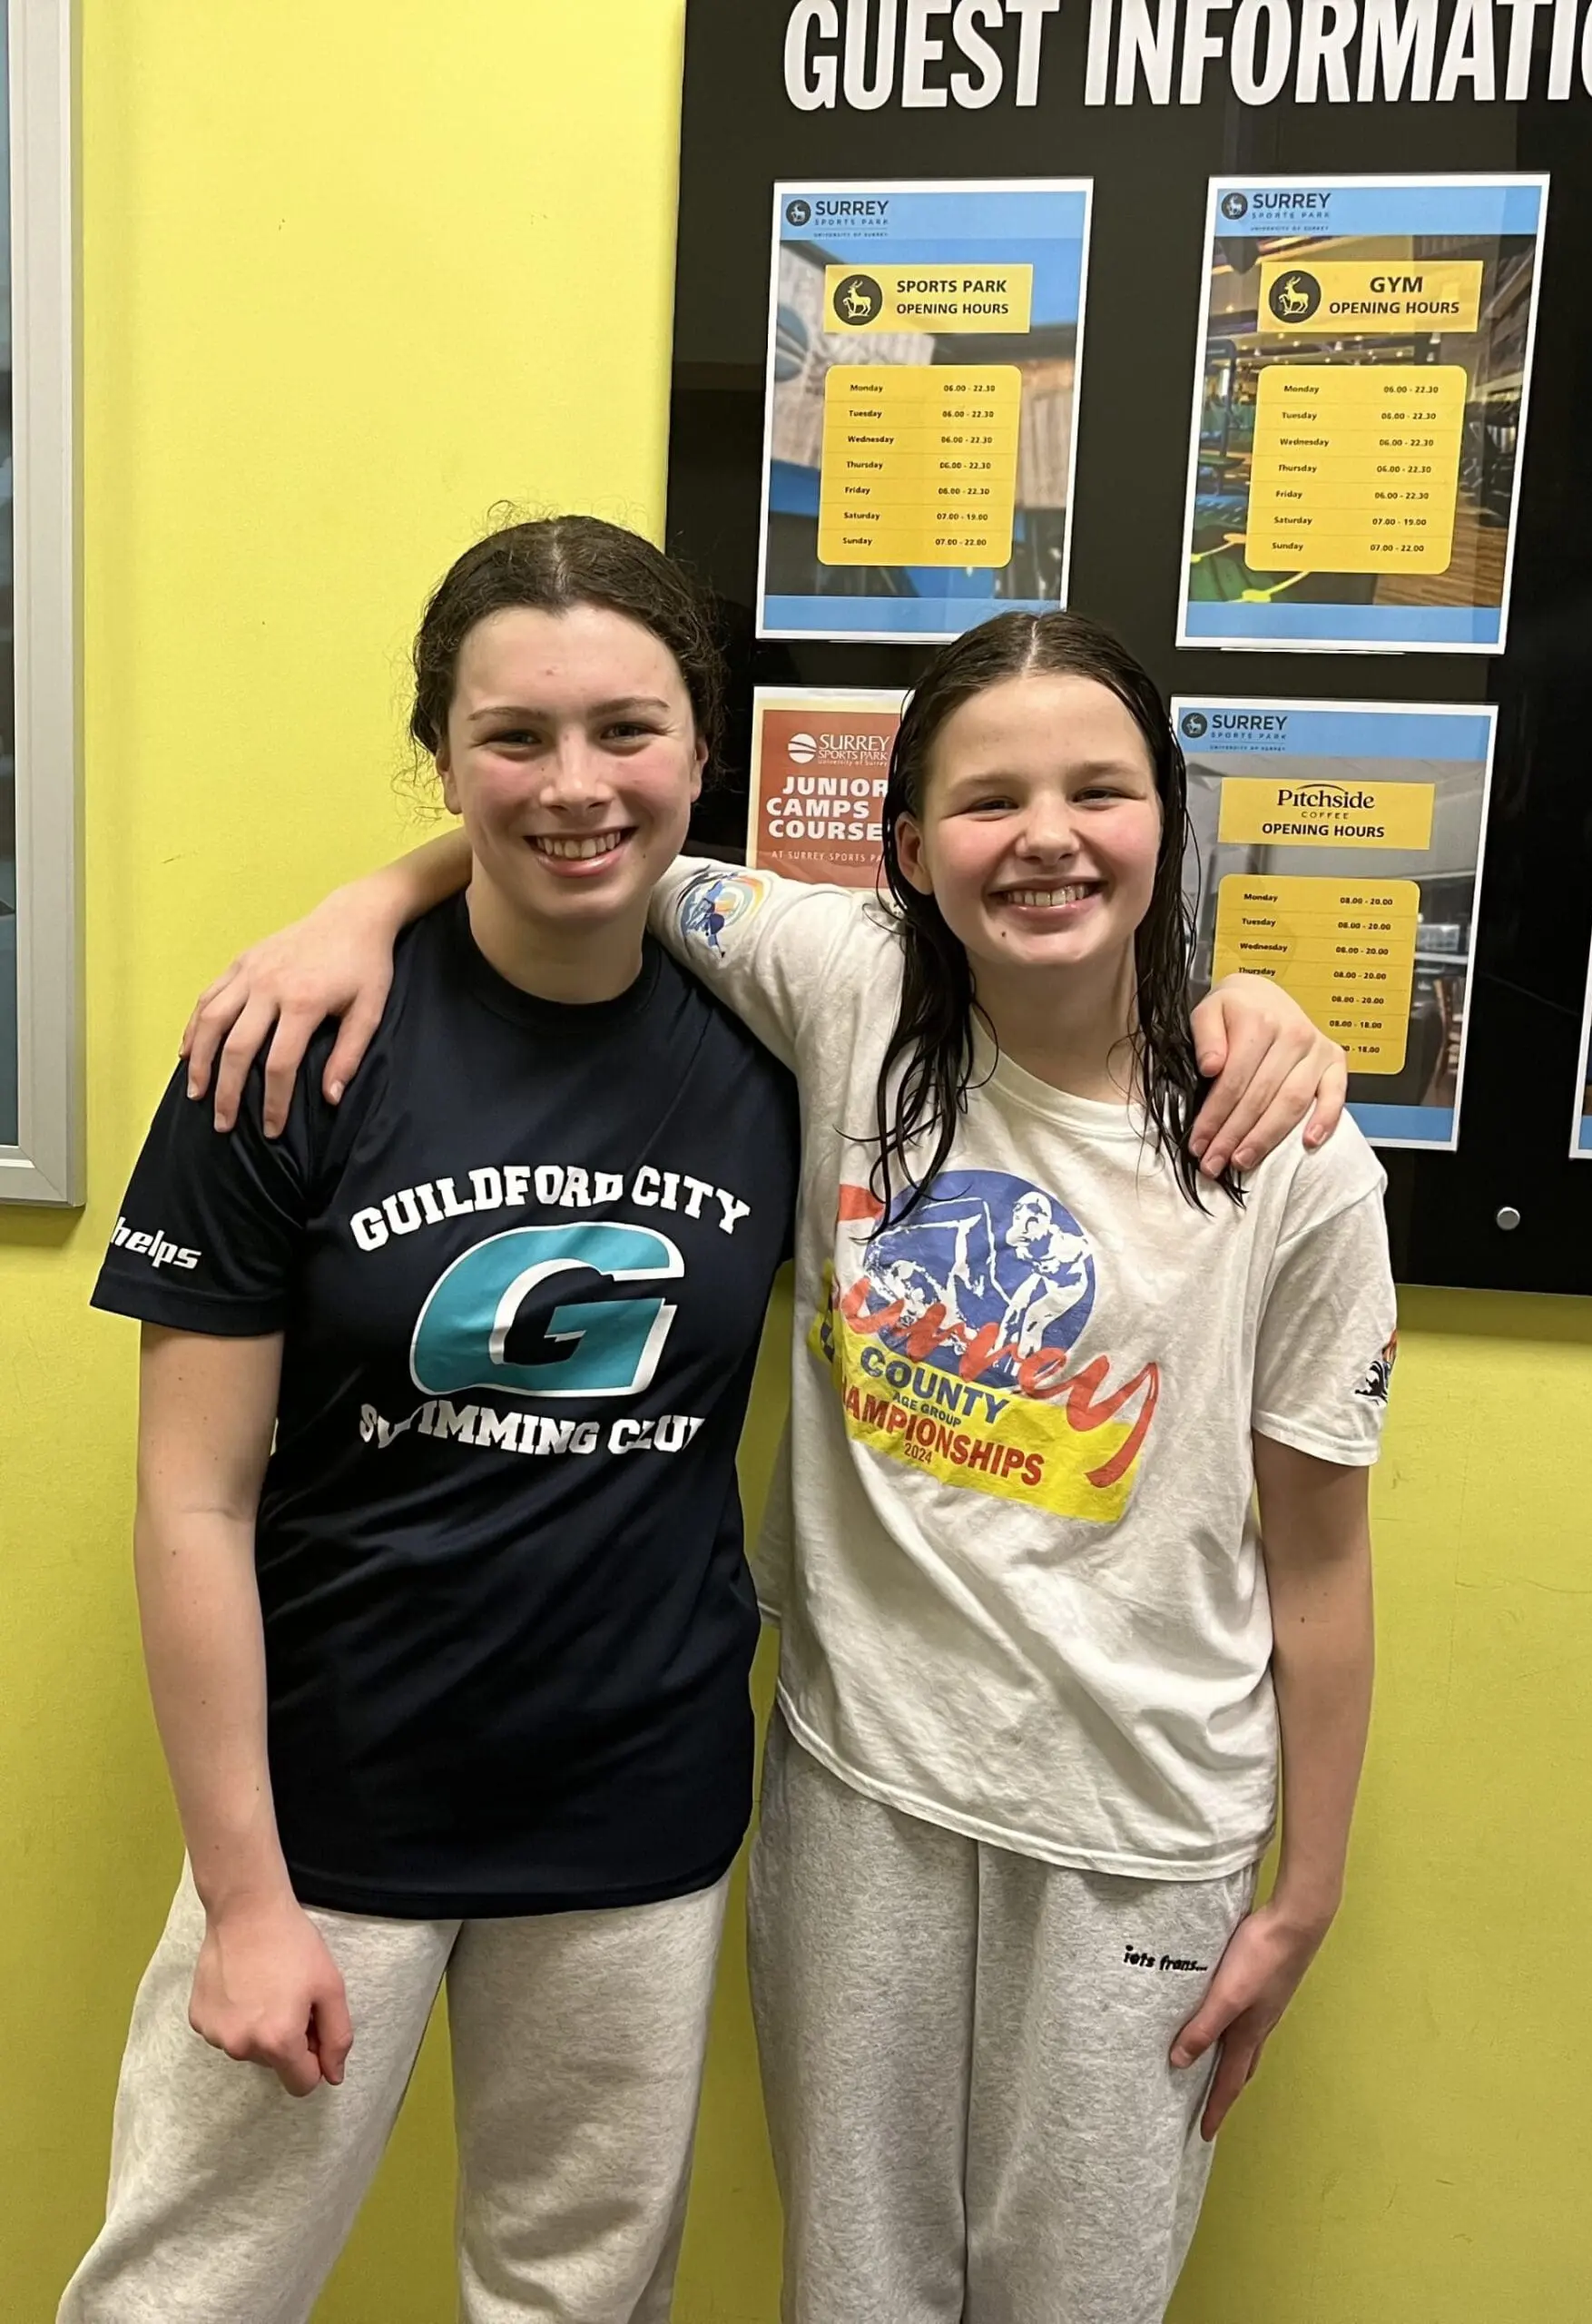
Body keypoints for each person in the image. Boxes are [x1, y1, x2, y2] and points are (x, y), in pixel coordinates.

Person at [182, 596, 1388, 2324]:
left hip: (1144, 1833)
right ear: (905, 848)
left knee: (1078, 2299)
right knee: (859, 2294)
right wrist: (362, 904)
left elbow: (1324, 1564)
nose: (1045, 837)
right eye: (987, 801)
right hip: (860, 1800)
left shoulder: (1284, 1156)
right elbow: (580, 835)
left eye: (1099, 792)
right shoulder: (843, 984)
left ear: (1168, 824)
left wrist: (1307, 1892)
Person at [64, 518, 808, 2324]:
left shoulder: (788, 1036)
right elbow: (189, 1504)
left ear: (705, 745)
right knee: (188, 2289)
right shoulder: (285, 1047)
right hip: (329, 1819)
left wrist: (1246, 1004)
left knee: (575, 2294)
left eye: (626, 730)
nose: (575, 784)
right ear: (442, 751)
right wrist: (245, 1893)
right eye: (512, 736)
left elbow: (1057, 990)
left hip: (634, 1813)